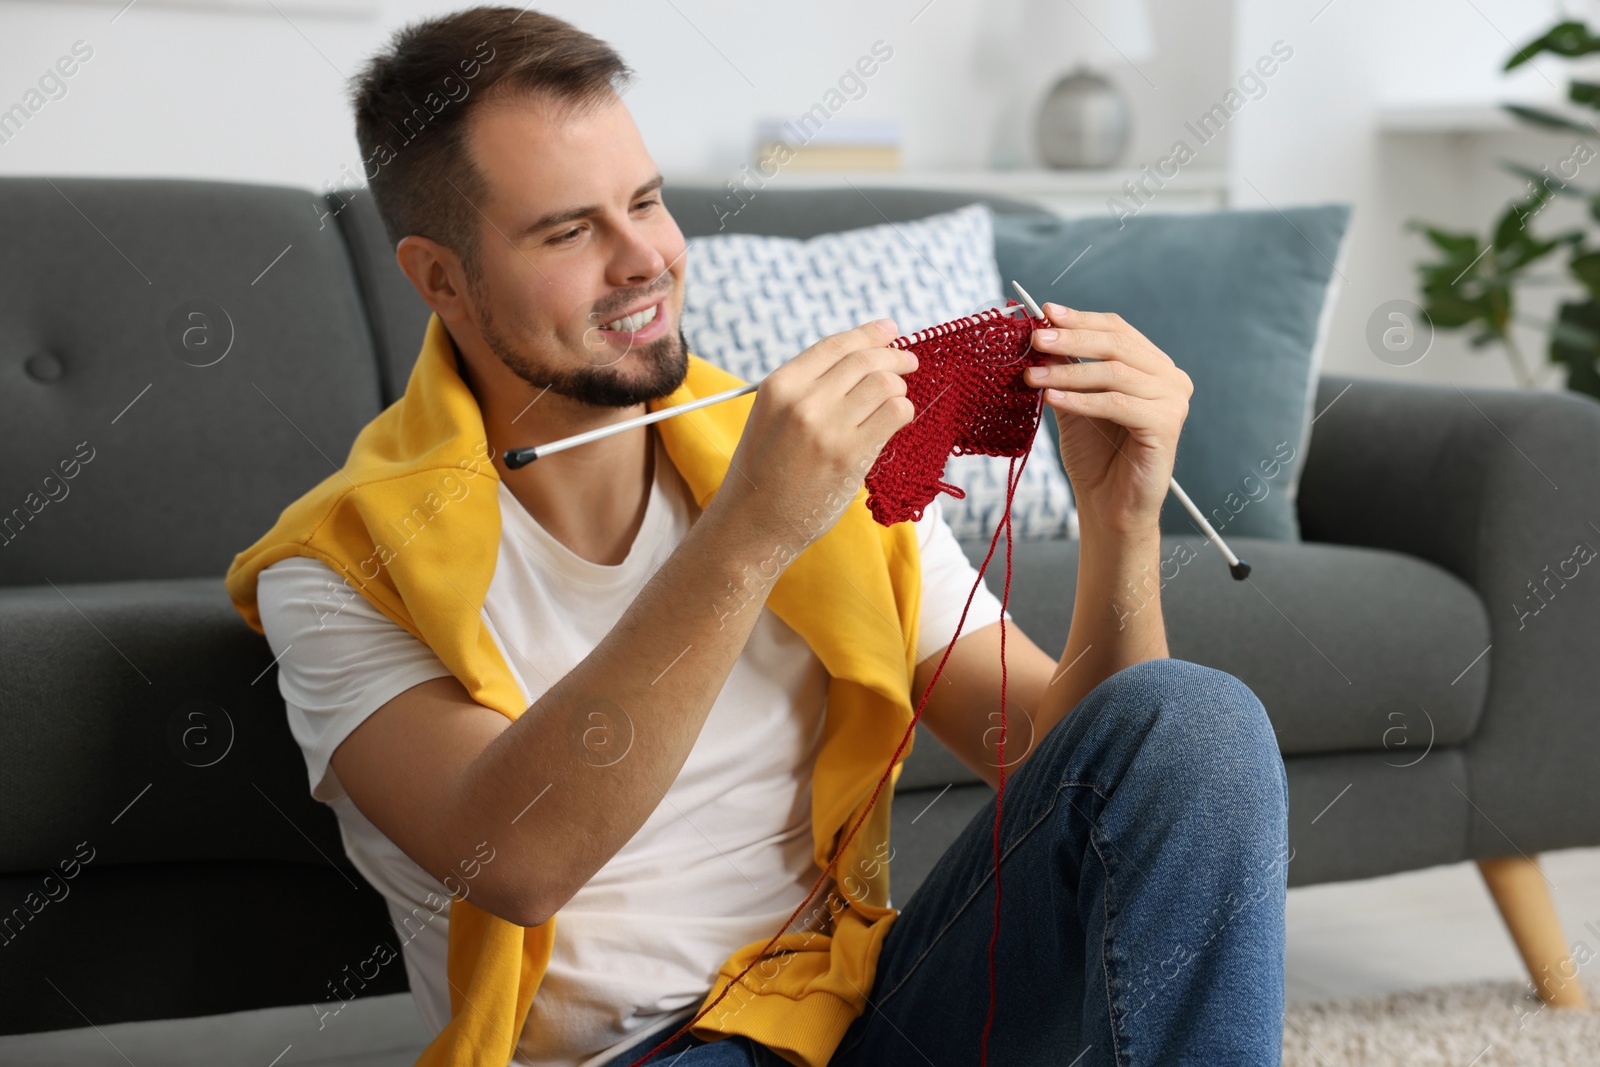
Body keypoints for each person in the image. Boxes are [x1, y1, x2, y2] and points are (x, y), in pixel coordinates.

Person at [225, 6, 1289, 1066]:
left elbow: (1067, 768)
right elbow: (519, 859)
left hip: (867, 1015)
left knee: (1188, 717)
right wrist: (751, 531)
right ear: (439, 278)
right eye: (568, 230)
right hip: (646, 1055)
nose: (644, 258)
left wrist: (1120, 523)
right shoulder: (337, 563)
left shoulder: (822, 464)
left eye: (645, 202)